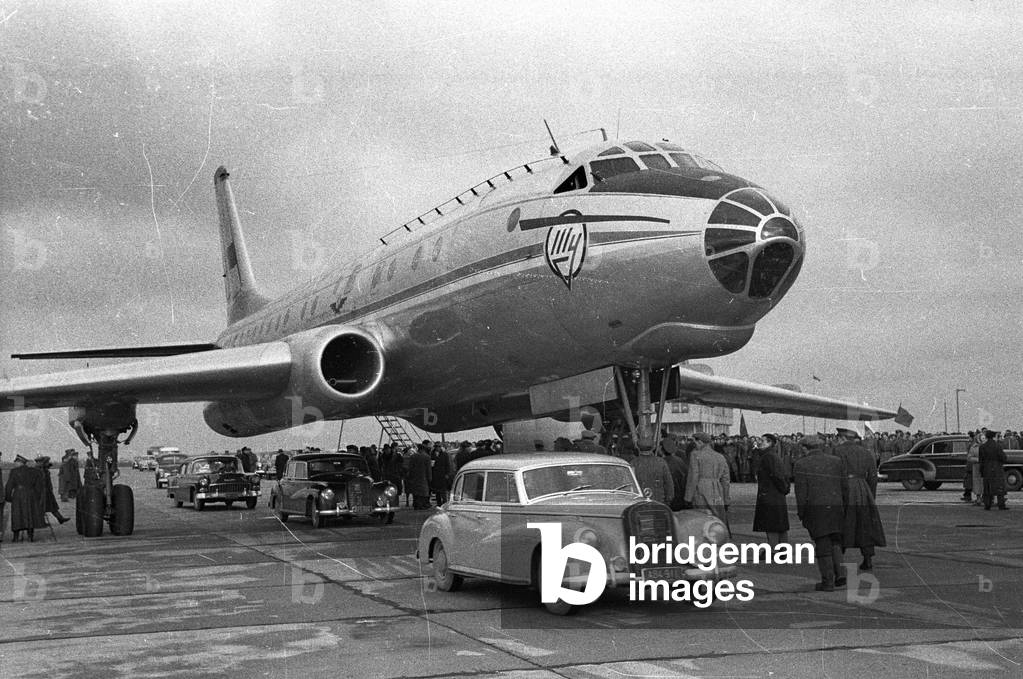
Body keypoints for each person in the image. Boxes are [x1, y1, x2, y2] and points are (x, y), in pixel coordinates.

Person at [793, 435, 847, 591]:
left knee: (822, 544)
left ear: (805, 448)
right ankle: (841, 574)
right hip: (836, 508)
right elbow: (844, 487)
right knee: (835, 541)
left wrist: (801, 512)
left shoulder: (801, 464)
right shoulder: (836, 461)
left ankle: (828, 581)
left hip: (816, 510)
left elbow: (801, 493)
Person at [833, 428, 886, 571]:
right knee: (865, 524)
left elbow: (834, 473)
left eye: (838, 437)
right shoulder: (866, 452)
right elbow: (873, 477)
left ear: (843, 438)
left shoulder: (837, 451)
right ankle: (867, 559)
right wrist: (871, 495)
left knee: (842, 523)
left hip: (845, 488)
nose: (837, 440)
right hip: (863, 489)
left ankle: (838, 561)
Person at [683, 432, 730, 524]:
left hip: (700, 490)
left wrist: (688, 497)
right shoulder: (720, 456)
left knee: (701, 519)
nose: (694, 445)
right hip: (717, 490)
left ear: (700, 442)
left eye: (695, 442)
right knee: (717, 520)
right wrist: (726, 499)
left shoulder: (695, 455)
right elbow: (726, 480)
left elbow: (693, 476)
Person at [752, 434, 790, 546]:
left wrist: (783, 488)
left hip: (770, 494)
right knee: (779, 524)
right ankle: (783, 549)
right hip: (775, 495)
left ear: (769, 443)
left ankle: (774, 549)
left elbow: (777, 475)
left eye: (762, 440)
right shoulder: (771, 455)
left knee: (771, 524)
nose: (759, 442)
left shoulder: (768, 456)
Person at [6, 454, 46, 542]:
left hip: (18, 495)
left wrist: (8, 497)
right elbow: (39, 487)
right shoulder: (34, 471)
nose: (15, 464)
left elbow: (9, 486)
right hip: (31, 495)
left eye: (16, 462)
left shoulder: (14, 471)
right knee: (30, 514)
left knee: (17, 515)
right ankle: (30, 536)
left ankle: (16, 537)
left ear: (20, 462)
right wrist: (37, 496)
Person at [631, 439, 674, 505]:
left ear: (638, 448)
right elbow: (668, 483)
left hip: (638, 503)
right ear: (653, 447)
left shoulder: (633, 463)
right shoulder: (661, 462)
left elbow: (631, 485)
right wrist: (669, 499)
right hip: (658, 502)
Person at [35, 456, 70, 526]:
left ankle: (60, 518)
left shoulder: (43, 469)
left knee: (52, 506)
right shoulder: (39, 470)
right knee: (42, 507)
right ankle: (41, 522)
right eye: (46, 462)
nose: (48, 463)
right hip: (42, 492)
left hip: (47, 491)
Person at [979, 430, 1008, 510]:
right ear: (993, 436)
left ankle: (987, 505)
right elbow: (1003, 458)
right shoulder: (997, 446)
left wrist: (981, 471)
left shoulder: (982, 447)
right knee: (999, 487)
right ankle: (1001, 505)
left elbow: (981, 460)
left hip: (986, 468)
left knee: (987, 487)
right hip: (997, 468)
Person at [406, 443, 433, 509]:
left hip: (415, 477)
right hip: (423, 477)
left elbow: (410, 467)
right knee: (423, 492)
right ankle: (422, 504)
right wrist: (430, 478)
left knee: (416, 491)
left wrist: (410, 476)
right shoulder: (427, 457)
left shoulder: (413, 456)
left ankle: (416, 504)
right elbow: (428, 469)